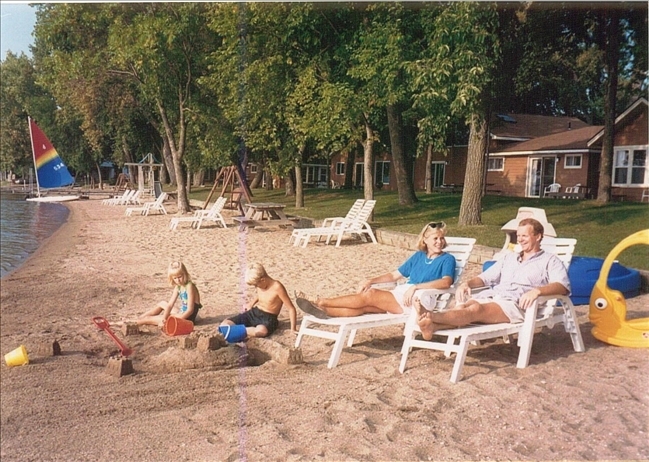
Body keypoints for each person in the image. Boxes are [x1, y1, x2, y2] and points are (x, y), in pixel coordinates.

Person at [415, 217, 570, 340]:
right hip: (491, 296)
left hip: (515, 305)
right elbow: (485, 278)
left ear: (538, 236)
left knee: (475, 310)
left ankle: (431, 315)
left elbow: (562, 286)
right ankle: (433, 327)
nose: (520, 239)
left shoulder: (550, 260)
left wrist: (537, 291)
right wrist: (467, 283)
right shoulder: (509, 258)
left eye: (525, 235)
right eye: (518, 235)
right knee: (464, 307)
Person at [295, 221, 456, 318]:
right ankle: (324, 310)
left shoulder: (447, 259)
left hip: (420, 299)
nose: (439, 242)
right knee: (364, 307)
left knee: (370, 294)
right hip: (404, 294)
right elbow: (394, 276)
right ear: (425, 240)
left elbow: (446, 282)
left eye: (441, 238)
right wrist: (371, 280)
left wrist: (415, 287)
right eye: (435, 238)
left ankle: (320, 301)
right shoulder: (419, 256)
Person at [220, 262, 298, 338]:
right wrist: (251, 303)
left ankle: (239, 330)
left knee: (261, 331)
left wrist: (293, 329)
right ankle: (238, 330)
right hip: (255, 312)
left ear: (263, 280)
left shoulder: (277, 287)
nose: (256, 287)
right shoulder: (261, 285)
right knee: (225, 324)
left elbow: (291, 308)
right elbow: (261, 295)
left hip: (269, 318)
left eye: (256, 285)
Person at [131, 261, 202, 327]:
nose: (178, 280)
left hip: (187, 319)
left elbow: (190, 310)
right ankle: (139, 318)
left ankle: (129, 322)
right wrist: (164, 318)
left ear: (185, 274)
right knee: (162, 303)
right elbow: (170, 305)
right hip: (182, 312)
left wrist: (174, 318)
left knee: (148, 319)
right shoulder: (178, 287)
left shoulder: (190, 286)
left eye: (180, 277)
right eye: (175, 278)